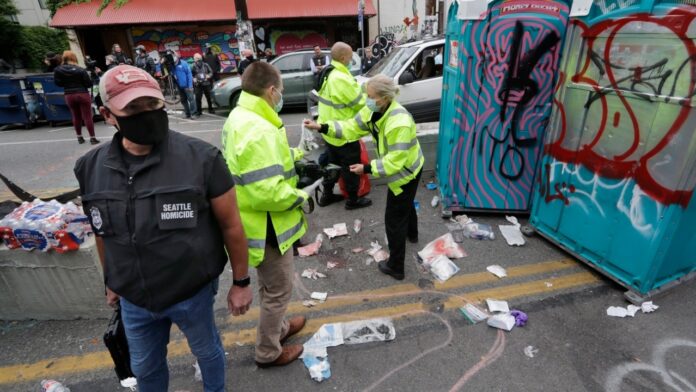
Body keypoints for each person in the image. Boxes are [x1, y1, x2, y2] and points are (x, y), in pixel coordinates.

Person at [74, 65, 252, 392]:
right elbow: (102, 231)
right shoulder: (90, 167)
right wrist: (111, 281)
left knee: (207, 351)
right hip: (134, 297)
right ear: (108, 115)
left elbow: (232, 225)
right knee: (145, 366)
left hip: (191, 292)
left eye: (153, 105)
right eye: (133, 109)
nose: (147, 114)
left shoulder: (202, 158)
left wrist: (241, 282)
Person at [221, 61, 312, 368]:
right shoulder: (258, 129)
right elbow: (268, 192)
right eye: (280, 92)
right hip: (267, 224)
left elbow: (264, 166)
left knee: (271, 286)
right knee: (279, 290)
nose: (280, 96)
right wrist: (303, 196)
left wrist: (297, 155)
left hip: (251, 220)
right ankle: (268, 351)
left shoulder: (241, 116)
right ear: (272, 90)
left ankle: (281, 329)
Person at [304, 74, 424, 280]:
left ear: (384, 98)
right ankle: (412, 234)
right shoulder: (373, 109)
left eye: (370, 96)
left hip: (406, 171)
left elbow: (395, 161)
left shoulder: (399, 122)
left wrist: (366, 169)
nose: (367, 99)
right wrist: (322, 127)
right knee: (405, 204)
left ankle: (396, 266)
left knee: (394, 218)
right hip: (404, 166)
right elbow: (351, 127)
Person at [311, 42, 371, 210]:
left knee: (332, 164)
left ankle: (327, 195)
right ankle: (353, 200)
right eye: (351, 56)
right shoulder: (341, 78)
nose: (352, 59)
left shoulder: (328, 72)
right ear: (344, 57)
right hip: (343, 132)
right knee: (351, 167)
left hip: (329, 130)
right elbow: (359, 103)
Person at [53, 51, 99, 145]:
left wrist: (67, 83)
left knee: (75, 115)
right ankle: (92, 138)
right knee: (87, 116)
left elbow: (58, 83)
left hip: (69, 94)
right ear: (74, 58)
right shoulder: (81, 70)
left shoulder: (58, 70)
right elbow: (89, 84)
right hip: (82, 93)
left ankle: (79, 137)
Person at [172, 52, 198, 119]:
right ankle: (187, 113)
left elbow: (189, 74)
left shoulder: (184, 63)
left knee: (191, 99)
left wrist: (190, 85)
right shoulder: (172, 65)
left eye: (174, 56)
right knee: (183, 100)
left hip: (187, 85)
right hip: (179, 86)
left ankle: (194, 113)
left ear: (177, 57)